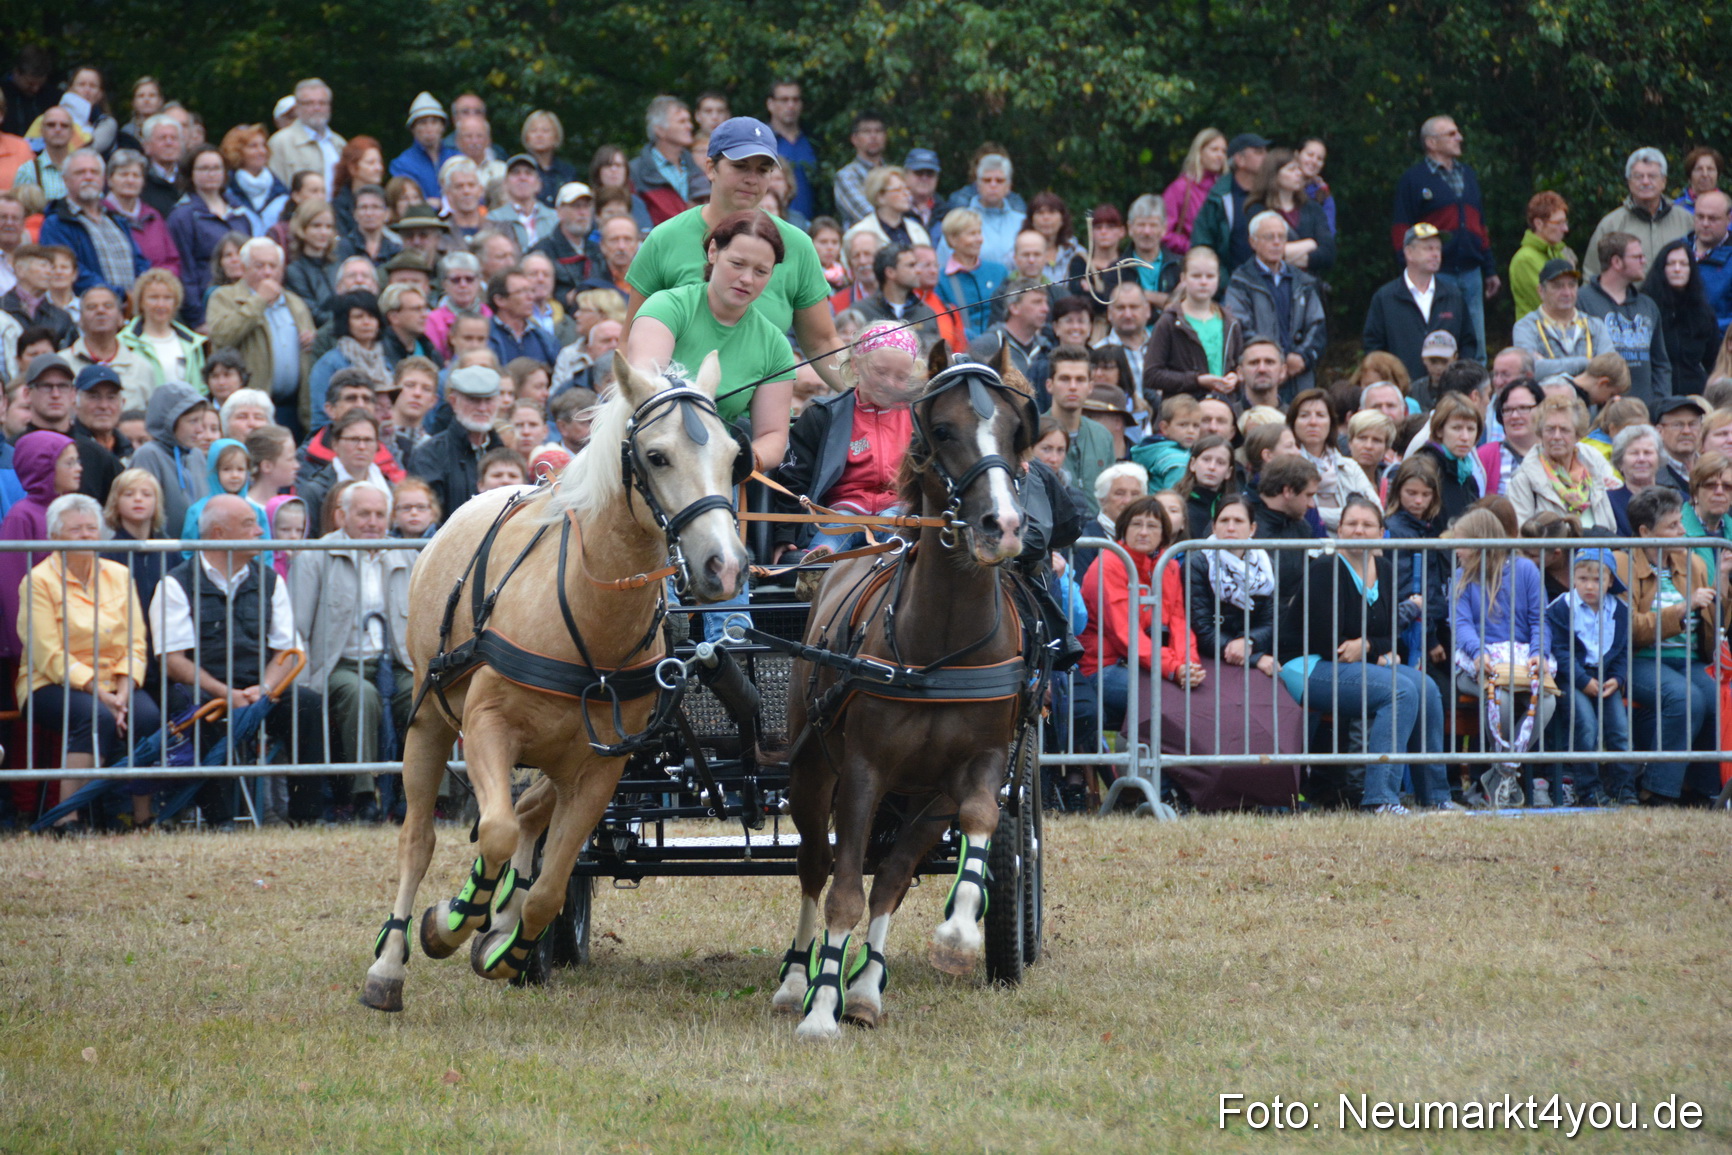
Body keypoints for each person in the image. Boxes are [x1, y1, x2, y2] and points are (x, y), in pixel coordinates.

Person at [626, 117, 842, 388]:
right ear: (710, 168)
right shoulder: (664, 239)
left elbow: (822, 342)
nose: (752, 179)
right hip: (676, 417)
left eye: (763, 170)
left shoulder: (797, 245)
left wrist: (864, 396)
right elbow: (630, 339)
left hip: (766, 420)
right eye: (740, 166)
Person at [149, 493, 325, 825]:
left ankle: (308, 818)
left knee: (308, 705)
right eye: (249, 524)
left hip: (260, 690)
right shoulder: (175, 584)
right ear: (218, 533)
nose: (261, 531)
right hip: (202, 689)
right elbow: (174, 661)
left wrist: (264, 689)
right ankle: (221, 821)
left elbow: (288, 652)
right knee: (197, 708)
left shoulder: (271, 581)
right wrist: (224, 694)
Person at [1282, 495, 1447, 813]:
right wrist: (1376, 655)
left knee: (1425, 687)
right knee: (1399, 690)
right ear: (1339, 530)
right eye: (1352, 524)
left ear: (1381, 532)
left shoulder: (1383, 568)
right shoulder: (1325, 568)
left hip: (1356, 663)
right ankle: (1381, 799)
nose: (1359, 531)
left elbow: (1388, 634)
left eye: (1367, 524)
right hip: (1307, 665)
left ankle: (1435, 796)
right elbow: (1328, 644)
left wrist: (1370, 648)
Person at [20, 493, 157, 832]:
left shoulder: (119, 574)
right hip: (49, 683)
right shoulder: (38, 581)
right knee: (94, 716)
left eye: (91, 528)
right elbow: (48, 653)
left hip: (116, 683)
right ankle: (68, 819)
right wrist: (101, 693)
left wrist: (123, 691)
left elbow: (135, 641)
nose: (86, 536)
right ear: (55, 537)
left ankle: (142, 819)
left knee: (147, 716)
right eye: (75, 530)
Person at [627, 209, 798, 472]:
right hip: (651, 461)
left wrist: (736, 460)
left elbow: (773, 436)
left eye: (761, 271)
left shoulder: (775, 345)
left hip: (718, 473)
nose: (747, 279)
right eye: (737, 264)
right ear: (713, 252)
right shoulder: (666, 307)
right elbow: (645, 390)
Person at [288, 478, 413, 822]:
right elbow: (297, 625)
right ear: (342, 516)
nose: (373, 522)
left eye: (379, 514)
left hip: (398, 661)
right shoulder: (316, 555)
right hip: (338, 664)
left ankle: (425, 797)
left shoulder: (407, 552)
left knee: (426, 696)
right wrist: (306, 679)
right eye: (364, 514)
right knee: (361, 696)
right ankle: (363, 796)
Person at [1067, 496, 1202, 798]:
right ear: (1123, 530)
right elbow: (1124, 634)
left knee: (1191, 693)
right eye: (1136, 524)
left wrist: (1188, 664)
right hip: (1101, 667)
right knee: (1162, 697)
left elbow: (1179, 620)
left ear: (1164, 533)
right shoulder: (1109, 563)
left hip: (1142, 664)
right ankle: (1157, 791)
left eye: (1152, 525)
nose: (1143, 531)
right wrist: (1173, 668)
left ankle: (1183, 788)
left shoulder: (1166, 565)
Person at [1614, 486, 1727, 804]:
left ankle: (1702, 789)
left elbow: (1717, 623)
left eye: (1681, 522)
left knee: (1716, 695)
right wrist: (1680, 609)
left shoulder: (1693, 563)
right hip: (1641, 659)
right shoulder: (1623, 564)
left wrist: (1723, 583)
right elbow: (1629, 630)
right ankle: (1658, 790)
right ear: (1645, 531)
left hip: (1688, 659)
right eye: (1673, 525)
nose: (1683, 530)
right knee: (1684, 697)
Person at [1390, 115, 1501, 356]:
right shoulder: (1414, 179)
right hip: (1434, 273)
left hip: (1472, 271)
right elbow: (1401, 228)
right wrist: (1408, 269)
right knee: (1437, 346)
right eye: (1451, 134)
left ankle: (1475, 389)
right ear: (1431, 142)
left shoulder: (1468, 175)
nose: (1459, 137)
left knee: (1476, 345)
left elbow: (1480, 226)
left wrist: (1489, 268)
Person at [1545, 548, 1633, 807]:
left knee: (1619, 730)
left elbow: (1622, 650)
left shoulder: (1620, 609)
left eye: (1597, 580)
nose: (1590, 586)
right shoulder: (1561, 608)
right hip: (1573, 677)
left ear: (1609, 581)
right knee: (1587, 726)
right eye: (1583, 579)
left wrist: (1617, 678)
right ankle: (1590, 790)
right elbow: (1560, 650)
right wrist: (1582, 681)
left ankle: (1624, 789)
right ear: (1573, 578)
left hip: (1607, 679)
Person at [205, 237, 315, 436]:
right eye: (259, 266)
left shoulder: (295, 303)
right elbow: (222, 337)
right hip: (251, 411)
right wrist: (259, 300)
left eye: (273, 266)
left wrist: (312, 339)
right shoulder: (223, 297)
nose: (267, 272)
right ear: (244, 268)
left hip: (294, 408)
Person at [1223, 212, 1326, 401]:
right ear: (1253, 242)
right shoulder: (1240, 282)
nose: (1277, 242)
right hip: (1260, 374)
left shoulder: (1304, 281)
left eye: (1282, 237)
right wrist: (1274, 361)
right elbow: (1239, 326)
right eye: (1269, 237)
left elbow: (1317, 325)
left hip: (1300, 377)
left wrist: (1302, 358)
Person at [1362, 222, 1478, 387]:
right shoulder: (1385, 298)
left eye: (1438, 249)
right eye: (1428, 248)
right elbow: (1374, 349)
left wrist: (1459, 379)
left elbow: (1468, 343)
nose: (1436, 254)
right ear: (1409, 253)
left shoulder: (1453, 296)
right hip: (1402, 392)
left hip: (1448, 391)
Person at [0, 429, 81, 661]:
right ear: (45, 467)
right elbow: (13, 586)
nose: (79, 468)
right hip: (36, 645)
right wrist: (25, 647)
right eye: (69, 463)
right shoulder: (22, 515)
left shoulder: (73, 510)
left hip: (71, 636)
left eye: (78, 461)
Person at [37, 148, 149, 302]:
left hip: (131, 308)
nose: (88, 177)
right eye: (80, 172)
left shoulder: (116, 219)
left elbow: (139, 261)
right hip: (88, 312)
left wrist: (143, 290)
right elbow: (74, 273)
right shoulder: (56, 223)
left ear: (103, 179)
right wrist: (120, 295)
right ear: (65, 180)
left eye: (94, 172)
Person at [1577, 232, 1671, 407]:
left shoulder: (1647, 305)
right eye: (1637, 257)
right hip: (1598, 413)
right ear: (1617, 262)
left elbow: (1661, 364)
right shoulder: (1581, 301)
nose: (1644, 261)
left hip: (1643, 411)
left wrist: (1659, 404)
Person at [1145, 246, 1244, 406]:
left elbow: (1240, 366)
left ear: (1218, 278)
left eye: (1210, 276)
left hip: (1222, 410)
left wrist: (1236, 378)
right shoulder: (1169, 321)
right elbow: (1152, 375)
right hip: (1182, 411)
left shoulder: (1230, 322)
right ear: (1183, 278)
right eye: (1196, 276)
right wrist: (1197, 380)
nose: (1203, 282)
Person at [19, 353, 122, 502]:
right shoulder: (13, 452)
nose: (55, 394)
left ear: (73, 393)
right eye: (46, 386)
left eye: (63, 386)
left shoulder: (98, 456)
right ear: (27, 393)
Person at [1506, 394, 1620, 530]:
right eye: (1550, 429)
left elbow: (1610, 528)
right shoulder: (1524, 480)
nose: (1557, 436)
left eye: (1564, 430)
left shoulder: (1594, 474)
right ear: (1540, 433)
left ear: (1577, 435)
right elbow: (1521, 538)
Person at [408, 364, 503, 521]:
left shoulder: (503, 452)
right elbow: (428, 520)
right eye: (473, 400)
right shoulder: (429, 455)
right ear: (453, 401)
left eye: (489, 400)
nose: (482, 408)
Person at [1583, 148, 1695, 279]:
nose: (1645, 182)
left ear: (1664, 181)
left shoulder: (1686, 220)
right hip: (1625, 299)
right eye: (1638, 176)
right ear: (1629, 182)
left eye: (1652, 176)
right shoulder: (1611, 224)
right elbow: (1591, 274)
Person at [1287, 388, 1377, 531]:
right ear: (1293, 423)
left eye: (1320, 415)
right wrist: (1349, 517)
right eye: (1304, 415)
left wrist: (1317, 514)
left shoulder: (1349, 467)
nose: (1313, 422)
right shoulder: (1286, 468)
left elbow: (1375, 511)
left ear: (1331, 422)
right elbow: (1292, 512)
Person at [1512, 259, 1614, 381]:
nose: (1567, 293)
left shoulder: (1595, 325)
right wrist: (1587, 362)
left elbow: (1611, 368)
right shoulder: (1526, 326)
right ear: (1541, 291)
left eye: (1572, 285)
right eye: (1558, 286)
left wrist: (1548, 365)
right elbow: (1530, 369)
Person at [1643, 238, 1720, 395]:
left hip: (1695, 397)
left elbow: (1714, 362)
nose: (1677, 269)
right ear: (1662, 268)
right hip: (1655, 396)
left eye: (1683, 264)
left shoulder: (1703, 312)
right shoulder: (1645, 308)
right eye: (1671, 263)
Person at [1242, 147, 1335, 274]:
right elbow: (1256, 253)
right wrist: (1310, 244)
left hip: (1305, 288)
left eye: (1298, 169)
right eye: (1291, 169)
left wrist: (1281, 256)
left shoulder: (1312, 209)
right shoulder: (1257, 210)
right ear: (1274, 174)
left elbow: (1328, 253)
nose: (1299, 174)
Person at [1191, 132, 1270, 274]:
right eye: (1258, 152)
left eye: (1266, 152)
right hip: (1229, 288)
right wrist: (1224, 283)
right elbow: (1202, 246)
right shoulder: (1218, 198)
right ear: (1239, 160)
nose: (1266, 158)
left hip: (1270, 286)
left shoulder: (1272, 194)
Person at [628, 95, 707, 227]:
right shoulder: (635, 172)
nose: (690, 126)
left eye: (688, 121)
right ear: (660, 130)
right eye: (682, 121)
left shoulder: (698, 167)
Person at [102, 150, 179, 277]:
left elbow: (173, 259)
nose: (130, 180)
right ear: (110, 179)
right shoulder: (102, 215)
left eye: (136, 175)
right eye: (124, 175)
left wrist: (160, 278)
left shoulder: (153, 216)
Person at [1412, 393, 1485, 525]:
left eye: (1471, 429)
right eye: (1457, 428)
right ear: (1439, 430)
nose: (1465, 437)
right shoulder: (1424, 468)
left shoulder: (1467, 475)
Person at [267, 79, 344, 191]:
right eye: (309, 103)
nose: (317, 108)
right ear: (297, 107)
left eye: (322, 103)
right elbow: (274, 191)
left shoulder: (339, 144)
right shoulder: (280, 142)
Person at [1509, 191, 1575, 320]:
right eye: (1559, 223)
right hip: (1536, 335)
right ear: (1538, 223)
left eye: (1565, 222)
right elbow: (1551, 304)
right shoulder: (1525, 260)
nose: (1565, 229)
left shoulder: (1557, 253)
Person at [1162, 127, 1226, 256]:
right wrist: (1192, 247)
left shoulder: (1225, 189)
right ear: (1199, 152)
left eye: (1224, 151)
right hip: (1189, 262)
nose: (1220, 155)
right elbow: (1164, 232)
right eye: (1214, 150)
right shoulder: (1180, 188)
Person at [1475, 378, 1543, 497]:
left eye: (1523, 408)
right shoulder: (1484, 457)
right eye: (1508, 410)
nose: (1515, 416)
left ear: (1542, 410)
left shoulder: (1556, 453)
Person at [832, 112, 887, 229]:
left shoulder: (893, 174)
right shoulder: (846, 176)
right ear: (854, 139)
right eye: (867, 132)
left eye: (878, 131)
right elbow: (867, 215)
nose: (873, 136)